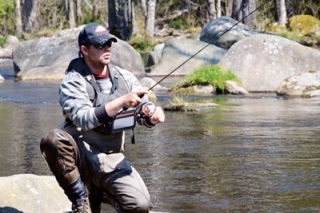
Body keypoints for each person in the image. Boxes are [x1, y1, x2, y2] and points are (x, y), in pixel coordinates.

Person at [40, 22, 165, 213]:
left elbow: (142, 110)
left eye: (109, 43)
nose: (107, 48)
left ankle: (99, 192)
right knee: (52, 140)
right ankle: (81, 202)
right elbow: (83, 118)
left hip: (111, 158)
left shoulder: (125, 77)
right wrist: (121, 102)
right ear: (84, 49)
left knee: (141, 206)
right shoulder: (72, 81)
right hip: (81, 154)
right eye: (100, 44)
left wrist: (152, 116)